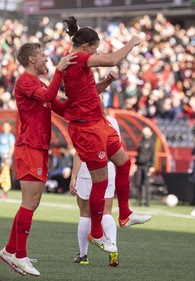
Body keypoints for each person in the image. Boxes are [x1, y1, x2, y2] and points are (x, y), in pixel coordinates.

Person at [61, 16, 151, 253]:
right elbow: (112, 59)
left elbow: (88, 93)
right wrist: (132, 42)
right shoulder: (78, 57)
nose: (97, 52)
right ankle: (97, 233)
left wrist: (106, 83)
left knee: (123, 162)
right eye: (96, 48)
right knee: (100, 182)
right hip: (87, 128)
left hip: (98, 123)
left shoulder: (77, 61)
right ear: (86, 47)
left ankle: (125, 215)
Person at [0, 43, 76, 277]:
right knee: (29, 202)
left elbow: (61, 108)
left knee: (33, 202)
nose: (46, 59)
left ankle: (11, 250)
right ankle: (19, 255)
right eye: (42, 56)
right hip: (29, 146)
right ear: (32, 59)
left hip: (39, 147)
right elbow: (47, 95)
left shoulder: (40, 83)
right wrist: (60, 71)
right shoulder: (25, 81)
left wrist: (91, 90)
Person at [70, 112, 121, 268]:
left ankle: (83, 255)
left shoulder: (80, 119)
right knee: (106, 212)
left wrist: (74, 175)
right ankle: (113, 248)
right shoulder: (112, 121)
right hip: (108, 170)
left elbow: (79, 152)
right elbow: (116, 148)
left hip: (87, 171)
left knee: (85, 214)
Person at [0, 122, 16, 199]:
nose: (5, 128)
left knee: (5, 174)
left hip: (6, 156)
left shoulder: (11, 136)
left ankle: (5, 193)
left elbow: (12, 147)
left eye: (6, 127)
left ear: (10, 128)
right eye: (4, 126)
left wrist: (8, 157)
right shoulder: (1, 135)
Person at [134, 127, 155, 207]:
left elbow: (153, 155)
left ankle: (147, 202)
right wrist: (135, 164)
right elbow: (138, 154)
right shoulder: (141, 142)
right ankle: (138, 201)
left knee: (147, 184)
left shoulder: (151, 142)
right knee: (138, 183)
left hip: (147, 166)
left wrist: (152, 165)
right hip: (139, 166)